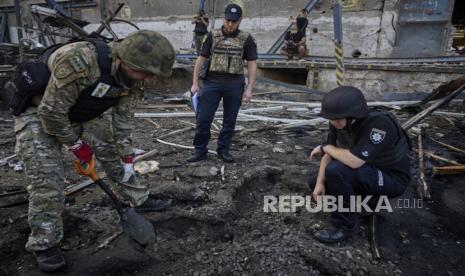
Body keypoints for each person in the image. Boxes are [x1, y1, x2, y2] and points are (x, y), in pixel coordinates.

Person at [12, 30, 175, 271]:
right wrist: (78, 147)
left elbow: (123, 120)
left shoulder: (135, 77)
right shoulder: (80, 60)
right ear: (124, 61)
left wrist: (127, 155)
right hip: (39, 112)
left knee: (114, 152)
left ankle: (136, 198)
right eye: (146, 73)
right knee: (46, 179)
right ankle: (45, 242)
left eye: (152, 75)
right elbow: (51, 113)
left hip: (83, 111)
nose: (149, 79)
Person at [308, 86, 411, 243]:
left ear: (353, 116)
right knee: (315, 181)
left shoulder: (379, 124)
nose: (333, 123)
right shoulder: (338, 121)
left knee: (336, 171)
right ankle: (364, 203)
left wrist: (325, 148)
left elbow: (354, 161)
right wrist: (320, 183)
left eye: (337, 119)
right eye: (331, 119)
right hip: (366, 173)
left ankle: (345, 227)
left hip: (391, 178)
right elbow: (330, 153)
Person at [187, 3, 257, 163]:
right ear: (223, 18)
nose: (230, 24)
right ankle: (200, 150)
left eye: (234, 21)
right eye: (228, 20)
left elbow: (252, 64)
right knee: (203, 118)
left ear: (240, 20)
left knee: (229, 120)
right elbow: (200, 59)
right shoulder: (213, 35)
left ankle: (223, 150)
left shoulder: (246, 39)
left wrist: (249, 88)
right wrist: (195, 83)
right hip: (212, 83)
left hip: (235, 84)